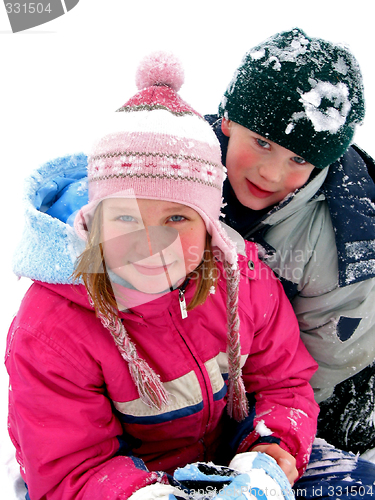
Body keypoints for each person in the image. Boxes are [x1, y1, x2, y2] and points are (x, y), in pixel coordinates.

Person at [6, 52, 319, 500]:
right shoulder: (52, 328)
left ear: (209, 226)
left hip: (230, 461)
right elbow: (70, 468)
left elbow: (283, 382)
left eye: (176, 218)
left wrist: (271, 455)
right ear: (94, 223)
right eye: (127, 219)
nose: (151, 244)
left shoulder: (243, 277)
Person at [206, 27, 375, 458]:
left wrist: (270, 425)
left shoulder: (342, 240)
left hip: (334, 352)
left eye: (299, 159)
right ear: (227, 121)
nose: (271, 174)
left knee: (334, 433)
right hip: (221, 342)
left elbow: (326, 357)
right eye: (261, 143)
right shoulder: (182, 162)